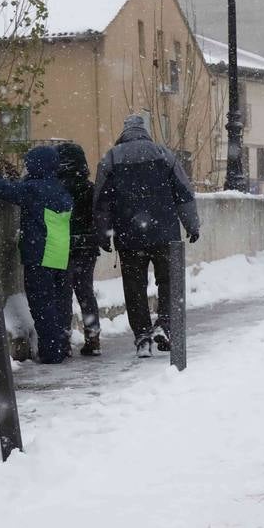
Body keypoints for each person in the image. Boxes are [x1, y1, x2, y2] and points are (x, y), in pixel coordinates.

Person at [0, 146, 74, 365]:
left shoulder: (33, 189)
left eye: (29, 164)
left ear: (37, 165)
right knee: (59, 303)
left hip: (40, 254)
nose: (26, 168)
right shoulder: (61, 190)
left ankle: (51, 352)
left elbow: (6, 190)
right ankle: (63, 345)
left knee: (42, 304)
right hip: (60, 254)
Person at [93, 115, 200, 359]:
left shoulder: (111, 157)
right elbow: (184, 192)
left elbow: (101, 201)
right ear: (145, 132)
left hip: (129, 236)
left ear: (124, 132)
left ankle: (142, 336)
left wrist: (103, 233)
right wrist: (192, 225)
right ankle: (165, 324)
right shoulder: (164, 154)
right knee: (168, 282)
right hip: (165, 234)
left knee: (134, 288)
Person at [56, 142, 101, 356]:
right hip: (87, 246)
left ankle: (63, 341)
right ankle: (92, 336)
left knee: (63, 294)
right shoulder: (90, 188)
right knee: (85, 292)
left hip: (64, 245)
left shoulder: (57, 189)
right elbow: (98, 216)